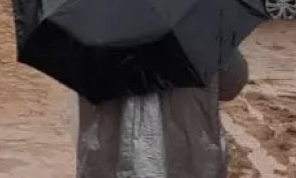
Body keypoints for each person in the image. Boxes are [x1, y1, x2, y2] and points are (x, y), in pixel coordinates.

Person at [76, 49, 249, 178]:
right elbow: (231, 85)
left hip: (109, 161)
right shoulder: (202, 28)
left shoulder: (93, 32)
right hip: (188, 158)